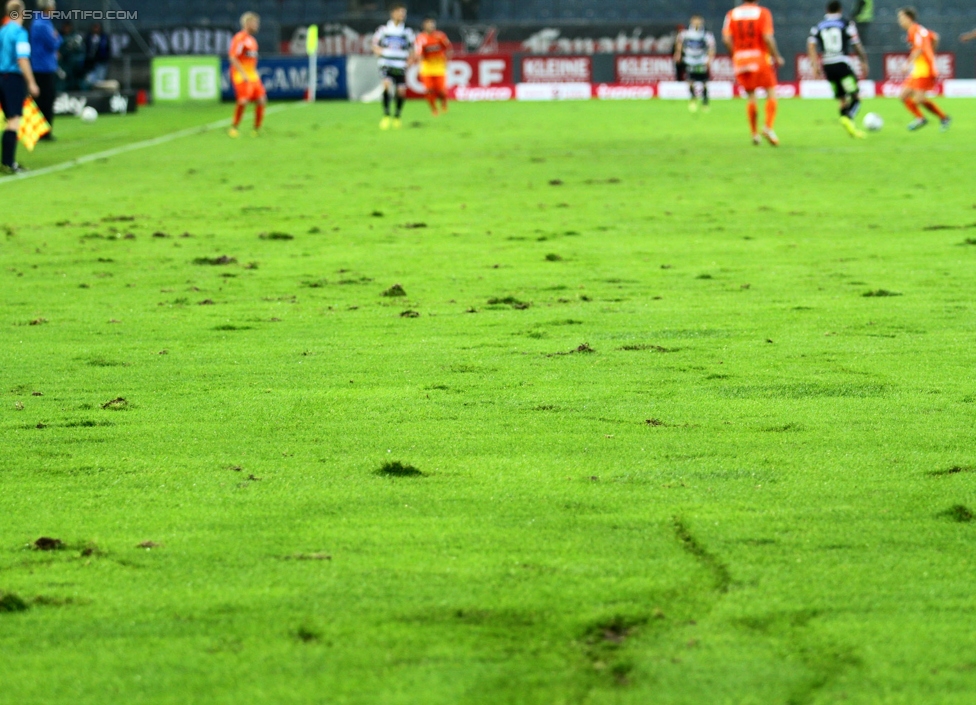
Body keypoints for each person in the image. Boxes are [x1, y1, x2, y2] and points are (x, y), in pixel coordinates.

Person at [723, 0, 785, 146]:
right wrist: (777, 56)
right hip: (760, 58)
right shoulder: (763, 13)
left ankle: (754, 134)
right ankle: (768, 127)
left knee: (751, 96)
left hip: (741, 60)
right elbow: (767, 37)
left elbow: (726, 39)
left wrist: (735, 55)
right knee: (771, 92)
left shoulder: (731, 14)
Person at [808, 1, 870, 139]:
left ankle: (851, 129)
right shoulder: (846, 23)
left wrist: (814, 65)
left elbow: (811, 44)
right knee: (856, 96)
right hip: (841, 63)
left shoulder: (818, 26)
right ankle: (847, 118)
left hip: (827, 65)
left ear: (827, 10)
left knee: (842, 99)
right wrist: (864, 61)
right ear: (840, 10)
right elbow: (856, 44)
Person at [0, 0, 40, 174]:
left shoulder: (2, 31)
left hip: (1, 76)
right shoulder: (20, 32)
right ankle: (8, 163)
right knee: (13, 120)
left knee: (9, 119)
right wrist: (31, 82)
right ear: (22, 12)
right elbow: (22, 58)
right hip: (12, 78)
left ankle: (6, 162)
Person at [897, 7, 950, 132]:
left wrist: (907, 64)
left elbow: (919, 49)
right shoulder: (921, 29)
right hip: (919, 70)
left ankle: (944, 118)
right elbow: (935, 37)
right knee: (903, 95)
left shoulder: (914, 30)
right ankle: (920, 118)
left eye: (901, 18)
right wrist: (931, 53)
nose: (900, 21)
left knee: (919, 99)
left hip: (925, 69)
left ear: (908, 18)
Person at [373, 4, 415, 130]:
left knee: (401, 92)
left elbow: (413, 49)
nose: (402, 15)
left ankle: (397, 116)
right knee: (386, 85)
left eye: (404, 13)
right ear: (393, 13)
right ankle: (386, 115)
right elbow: (375, 44)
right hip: (386, 63)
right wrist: (379, 52)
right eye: (400, 12)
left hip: (400, 65)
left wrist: (410, 61)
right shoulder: (384, 30)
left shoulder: (407, 32)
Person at [228, 12, 266, 138]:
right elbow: (233, 57)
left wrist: (254, 73)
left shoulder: (252, 40)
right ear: (247, 23)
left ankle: (256, 129)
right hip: (241, 75)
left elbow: (250, 59)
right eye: (255, 23)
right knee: (243, 101)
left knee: (261, 100)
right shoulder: (240, 38)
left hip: (252, 75)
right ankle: (234, 127)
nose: (257, 25)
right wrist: (243, 73)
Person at [29, 0, 60, 141]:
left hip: (39, 66)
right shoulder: (43, 24)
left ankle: (40, 131)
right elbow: (53, 42)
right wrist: (57, 37)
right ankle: (44, 132)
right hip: (44, 67)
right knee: (46, 99)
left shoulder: (37, 22)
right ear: (48, 8)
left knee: (42, 99)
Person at [674, 16, 716, 113]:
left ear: (702, 22)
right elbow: (679, 42)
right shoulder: (686, 33)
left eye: (699, 21)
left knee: (704, 82)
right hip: (690, 60)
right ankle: (693, 99)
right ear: (691, 22)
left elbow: (711, 47)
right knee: (690, 81)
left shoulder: (706, 34)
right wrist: (678, 53)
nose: (697, 23)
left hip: (701, 60)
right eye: (695, 21)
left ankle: (705, 102)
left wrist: (709, 59)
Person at [415, 16, 452, 116]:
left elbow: (449, 48)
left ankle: (444, 105)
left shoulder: (440, 36)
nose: (431, 25)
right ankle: (434, 109)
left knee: (442, 91)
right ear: (424, 25)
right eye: (429, 23)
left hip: (439, 67)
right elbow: (418, 54)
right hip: (427, 67)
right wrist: (419, 66)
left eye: (432, 23)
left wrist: (447, 61)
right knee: (429, 90)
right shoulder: (420, 38)